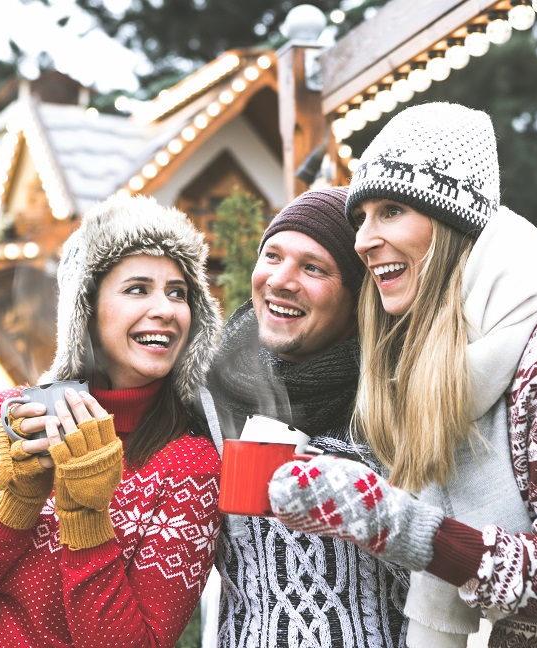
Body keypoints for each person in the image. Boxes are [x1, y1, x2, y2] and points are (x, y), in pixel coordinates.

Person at [268, 102, 537, 648]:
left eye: (390, 211)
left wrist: (404, 527)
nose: (363, 239)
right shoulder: (421, 363)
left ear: (453, 221)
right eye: (360, 217)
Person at [0, 193, 224, 646]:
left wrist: (88, 520)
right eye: (138, 289)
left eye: (179, 293)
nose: (167, 309)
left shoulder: (191, 465)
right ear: (85, 312)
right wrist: (11, 508)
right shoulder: (12, 419)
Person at [198, 186, 409, 647]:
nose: (280, 280)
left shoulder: (401, 404)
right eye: (272, 256)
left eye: (313, 268)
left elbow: (448, 575)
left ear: (358, 299)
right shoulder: (211, 396)